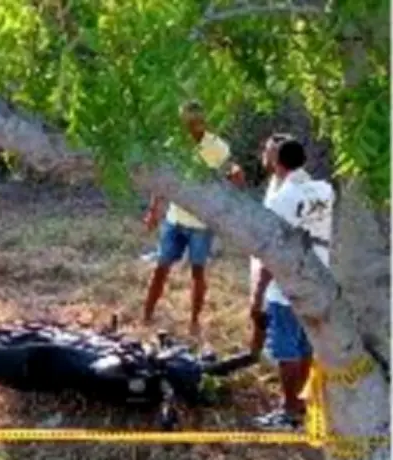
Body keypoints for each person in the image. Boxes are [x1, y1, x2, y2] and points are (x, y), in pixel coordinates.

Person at [250, 138, 335, 430]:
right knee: (307, 345)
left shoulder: (281, 198)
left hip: (287, 283)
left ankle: (289, 411)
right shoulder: (324, 190)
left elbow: (272, 252)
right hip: (320, 276)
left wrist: (258, 294)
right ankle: (306, 403)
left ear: (278, 163)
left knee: (286, 350)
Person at [142, 100, 245, 337]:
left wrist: (236, 178)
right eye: (185, 123)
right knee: (161, 267)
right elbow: (163, 180)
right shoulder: (173, 145)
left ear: (202, 122)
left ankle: (195, 321)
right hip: (175, 218)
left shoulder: (217, 147)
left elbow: (232, 173)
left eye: (193, 122)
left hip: (201, 223)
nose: (188, 128)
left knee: (198, 272)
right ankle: (147, 313)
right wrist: (153, 210)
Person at [248, 132, 295, 350]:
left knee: (265, 304)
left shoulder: (287, 190)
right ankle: (256, 350)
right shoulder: (276, 180)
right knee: (261, 306)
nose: (263, 156)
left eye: (268, 152)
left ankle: (265, 351)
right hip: (264, 255)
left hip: (275, 261)